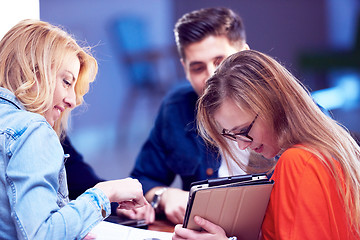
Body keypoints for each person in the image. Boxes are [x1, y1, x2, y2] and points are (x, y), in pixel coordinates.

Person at [172, 49, 360, 239]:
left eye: (244, 131)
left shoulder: (299, 161)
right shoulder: (332, 151)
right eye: (233, 135)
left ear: (273, 104)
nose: (242, 146)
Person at [0, 19, 148, 239]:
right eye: (67, 82)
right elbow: (41, 235)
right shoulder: (32, 130)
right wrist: (106, 194)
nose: (72, 101)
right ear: (33, 72)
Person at [127, 7, 259, 224]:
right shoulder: (176, 108)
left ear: (245, 55)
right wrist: (164, 196)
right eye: (198, 68)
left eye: (220, 61)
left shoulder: (288, 105)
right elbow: (142, 181)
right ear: (185, 69)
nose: (211, 76)